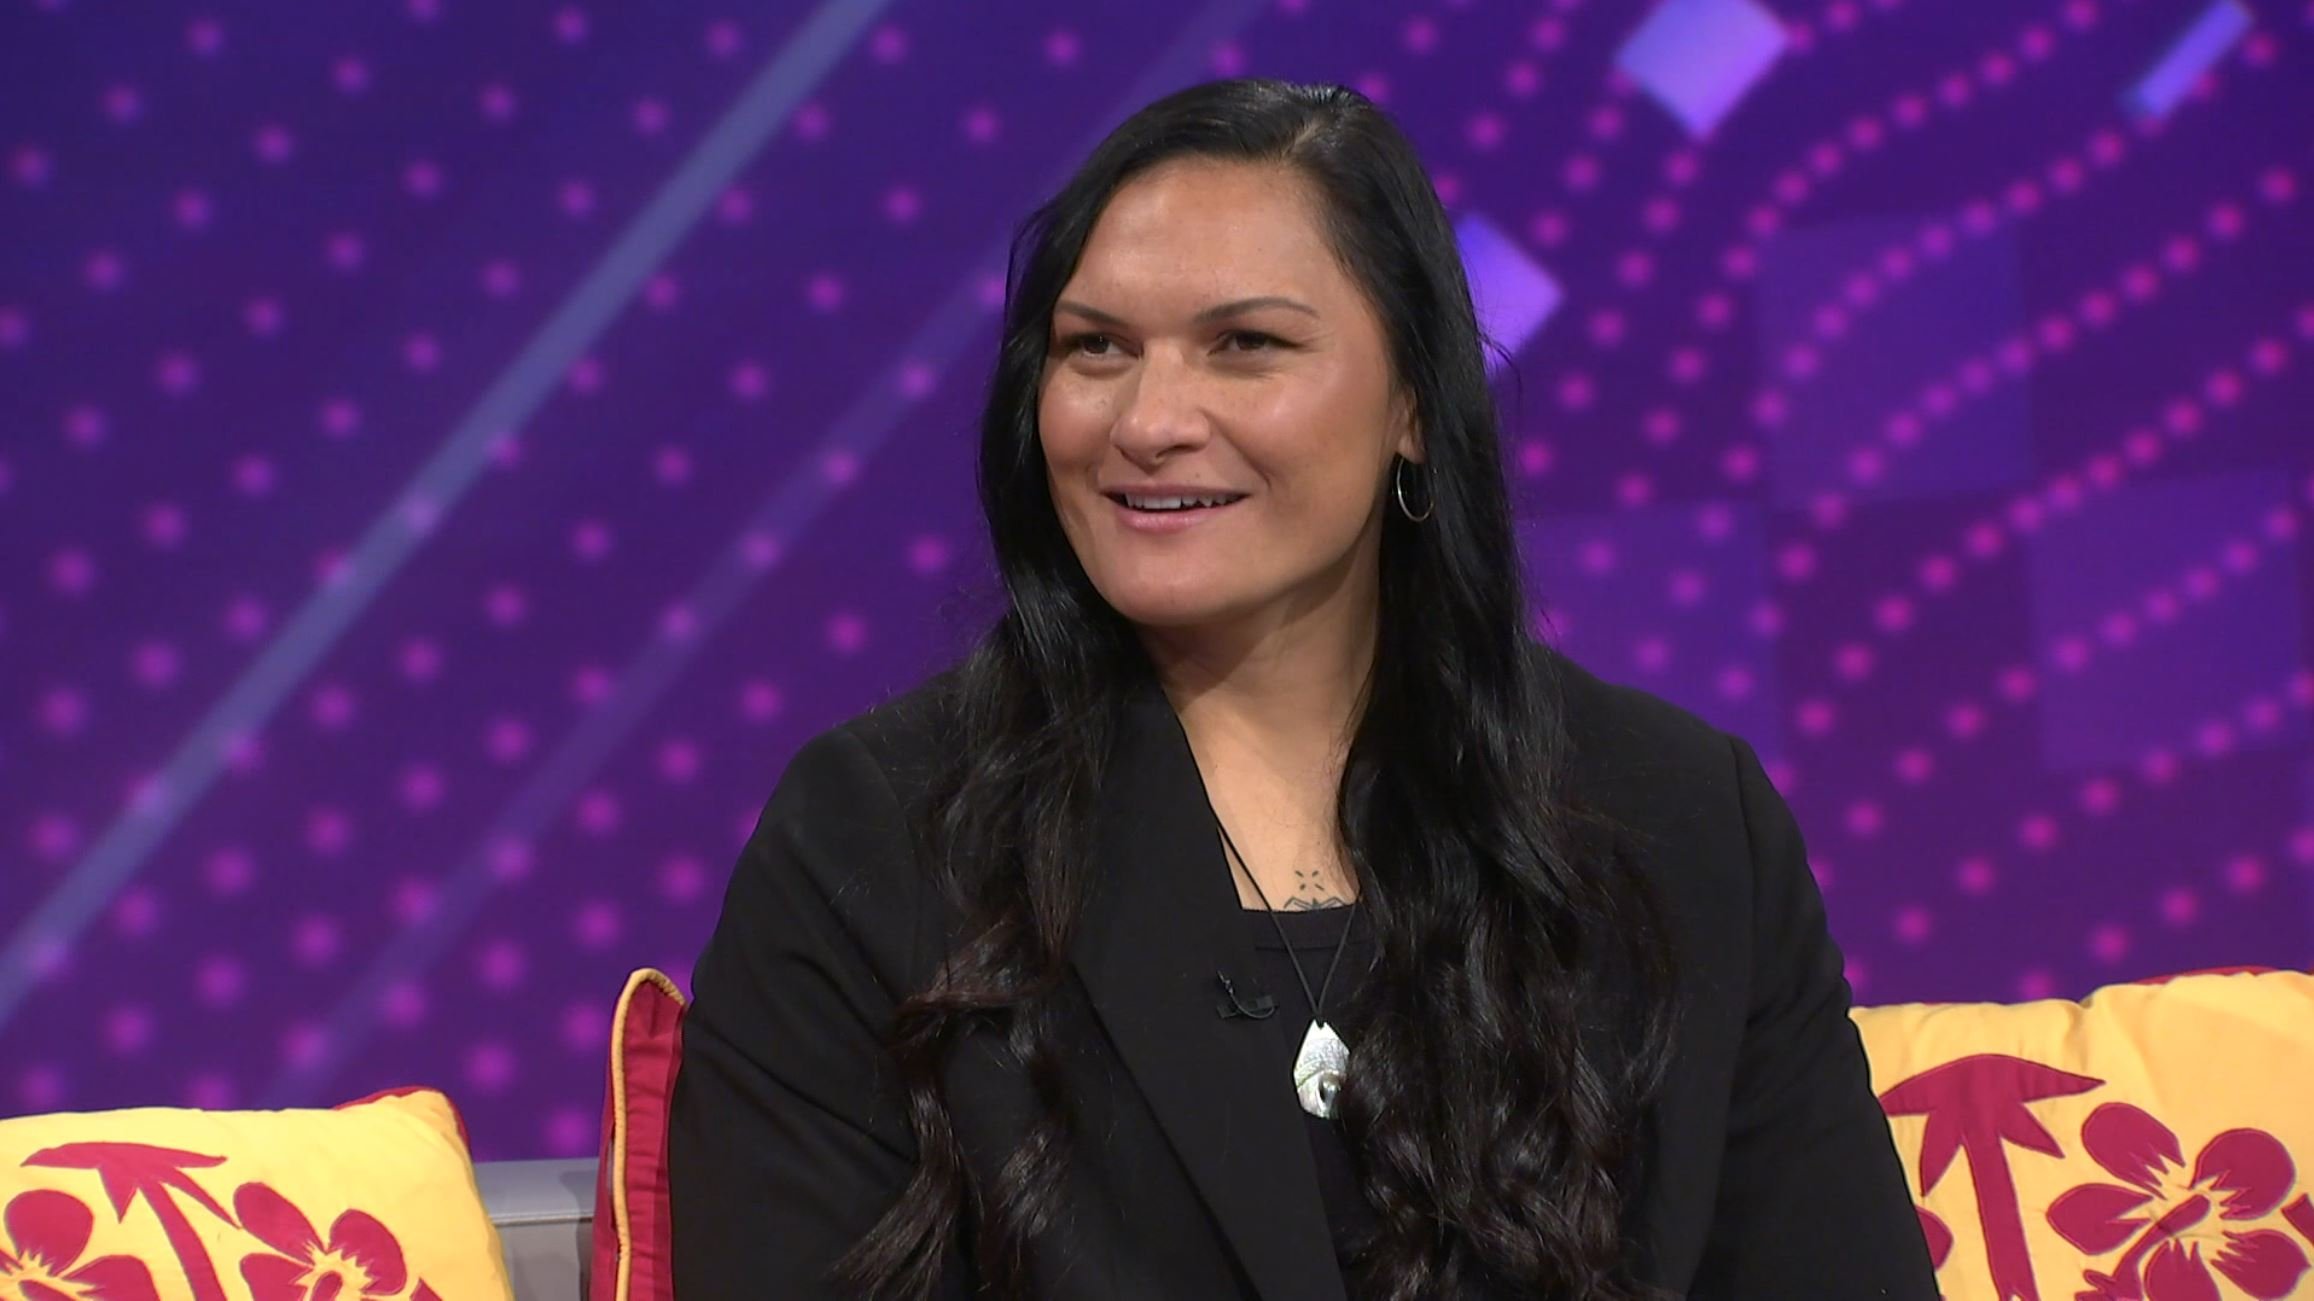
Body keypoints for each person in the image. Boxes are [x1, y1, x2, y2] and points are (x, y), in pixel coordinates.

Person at [668, 78, 1938, 1300]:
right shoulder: (879, 837)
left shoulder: (1680, 820)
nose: (1148, 420)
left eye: (1246, 346)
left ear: (1413, 404)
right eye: (1096, 347)